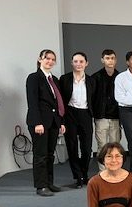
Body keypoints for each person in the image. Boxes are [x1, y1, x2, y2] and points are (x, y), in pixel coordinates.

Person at [26, 49, 66, 196]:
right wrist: (37, 122)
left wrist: (61, 122)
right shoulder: (34, 78)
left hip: (54, 122)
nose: (50, 61)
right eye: (47, 58)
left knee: (50, 155)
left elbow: (58, 102)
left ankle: (49, 183)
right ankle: (41, 186)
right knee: (40, 155)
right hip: (40, 122)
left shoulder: (54, 79)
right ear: (40, 59)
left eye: (52, 59)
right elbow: (33, 102)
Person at [60, 51, 96, 188]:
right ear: (72, 63)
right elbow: (62, 100)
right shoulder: (64, 79)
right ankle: (78, 176)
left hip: (86, 114)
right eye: (75, 61)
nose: (78, 64)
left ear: (86, 63)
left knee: (87, 148)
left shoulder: (92, 80)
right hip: (70, 114)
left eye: (81, 61)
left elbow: (94, 100)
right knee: (72, 146)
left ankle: (84, 173)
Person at [93, 49, 121, 170]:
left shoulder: (120, 77)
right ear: (102, 60)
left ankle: (115, 171)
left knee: (116, 147)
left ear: (115, 60)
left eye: (112, 58)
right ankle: (103, 172)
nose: (110, 60)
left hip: (116, 117)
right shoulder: (96, 77)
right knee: (102, 147)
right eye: (107, 58)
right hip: (101, 117)